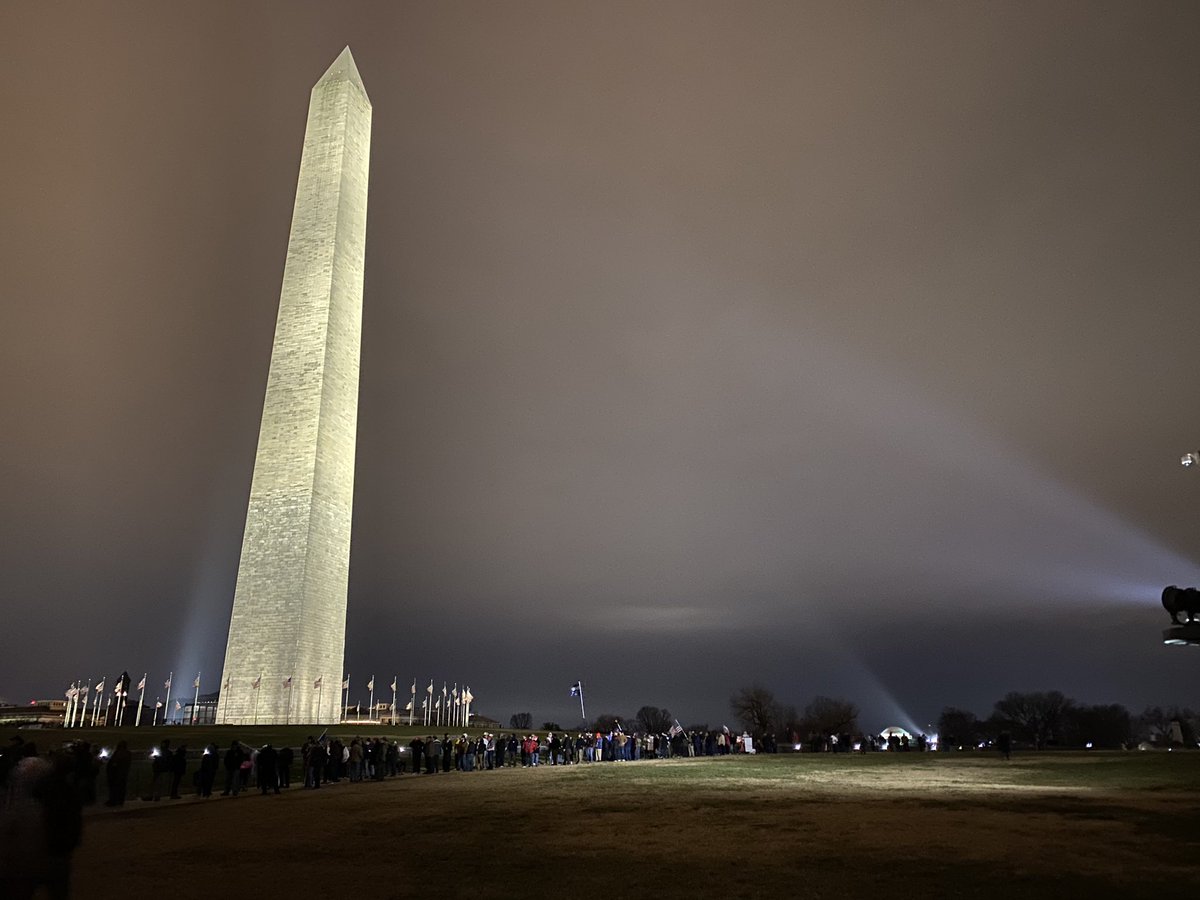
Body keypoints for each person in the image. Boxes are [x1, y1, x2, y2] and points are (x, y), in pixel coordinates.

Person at [104, 741, 132, 806]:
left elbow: (114, 762)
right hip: (122, 774)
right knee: (121, 788)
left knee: (115, 788)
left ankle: (114, 801)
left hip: (116, 774)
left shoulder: (120, 753)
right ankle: (119, 801)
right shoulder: (127, 753)